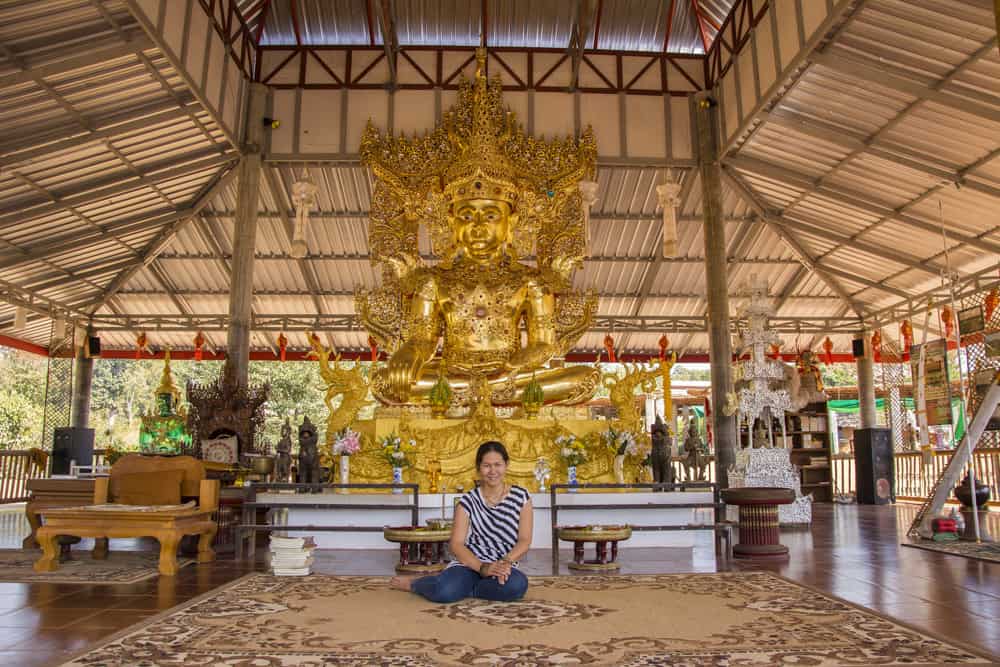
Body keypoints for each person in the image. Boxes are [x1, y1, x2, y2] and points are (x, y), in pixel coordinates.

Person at [390, 441, 532, 603]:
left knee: (517, 586)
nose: (492, 471)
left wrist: (505, 563)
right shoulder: (468, 500)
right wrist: (483, 568)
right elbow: (456, 544)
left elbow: (525, 540)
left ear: (506, 465)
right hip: (470, 563)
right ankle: (417, 584)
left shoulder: (521, 497)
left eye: (497, 465)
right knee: (444, 593)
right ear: (479, 468)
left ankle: (465, 588)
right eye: (486, 465)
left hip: (503, 565)